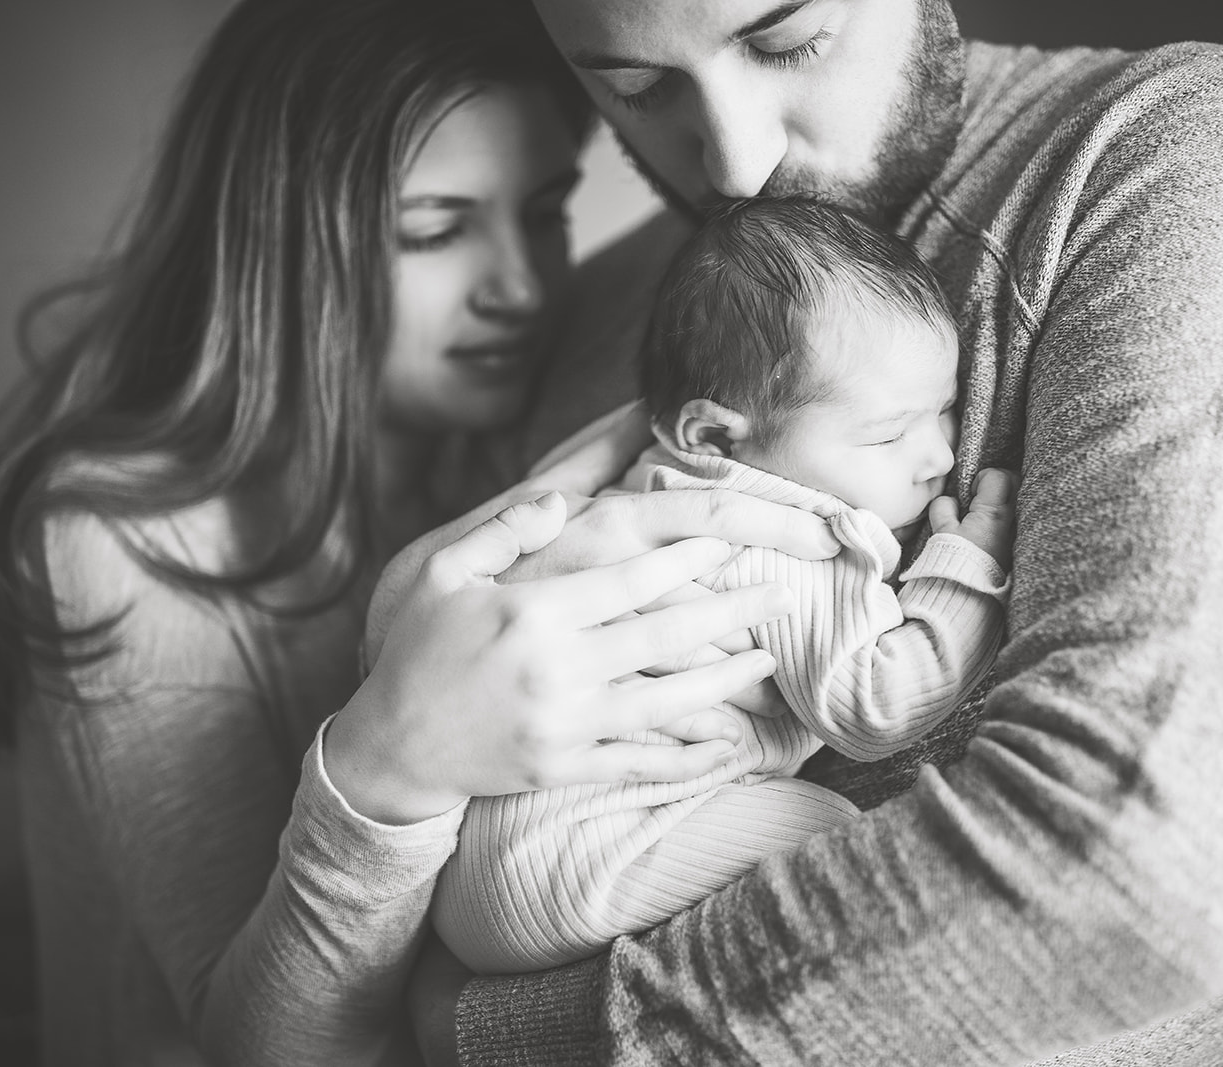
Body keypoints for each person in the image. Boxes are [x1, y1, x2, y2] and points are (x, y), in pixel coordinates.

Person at [380, 1, 1223, 1064]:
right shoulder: (604, 315)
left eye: (784, 41)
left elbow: (1124, 886)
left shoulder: (1160, 158)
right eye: (636, 86)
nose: (737, 162)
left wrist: (480, 1033)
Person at [0, 1, 845, 1063]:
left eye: (547, 211)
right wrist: (385, 769)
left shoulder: (511, 401)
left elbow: (762, 211)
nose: (519, 285)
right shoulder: (118, 536)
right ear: (275, 237)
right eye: (437, 228)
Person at [434, 195, 1017, 974]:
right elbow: (875, 707)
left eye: (944, 412)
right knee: (848, 840)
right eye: (886, 433)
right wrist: (967, 567)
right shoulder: (787, 536)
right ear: (714, 436)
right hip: (579, 862)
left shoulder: (649, 485)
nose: (941, 456)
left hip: (483, 870)